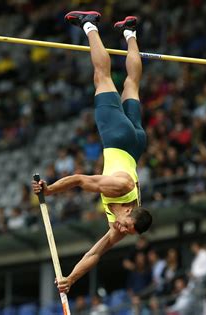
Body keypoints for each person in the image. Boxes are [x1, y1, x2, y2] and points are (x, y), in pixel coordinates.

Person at [32, 11, 152, 294]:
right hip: (119, 138)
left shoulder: (121, 222)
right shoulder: (119, 188)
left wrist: (70, 279)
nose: (121, 231)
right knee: (102, 77)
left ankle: (130, 32)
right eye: (126, 226)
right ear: (130, 212)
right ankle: (89, 24)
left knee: (132, 86)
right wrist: (49, 192)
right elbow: (77, 180)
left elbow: (95, 254)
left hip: (135, 145)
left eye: (125, 232)